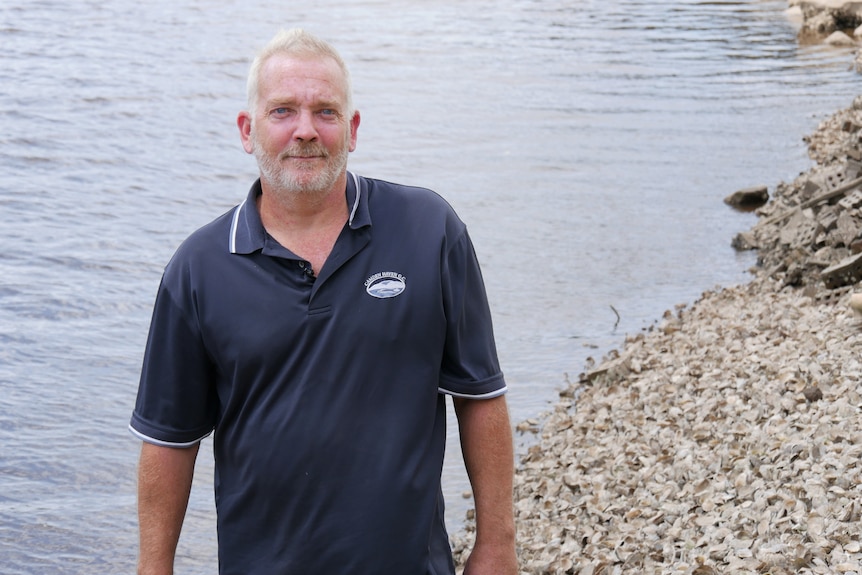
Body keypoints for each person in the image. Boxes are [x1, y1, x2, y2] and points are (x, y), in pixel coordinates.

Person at [129, 28, 517, 575]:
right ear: (248, 130)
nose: (305, 130)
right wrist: (154, 568)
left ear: (352, 129)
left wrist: (497, 545)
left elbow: (479, 395)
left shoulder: (429, 230)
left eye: (326, 112)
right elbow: (170, 440)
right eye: (283, 110)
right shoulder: (198, 268)